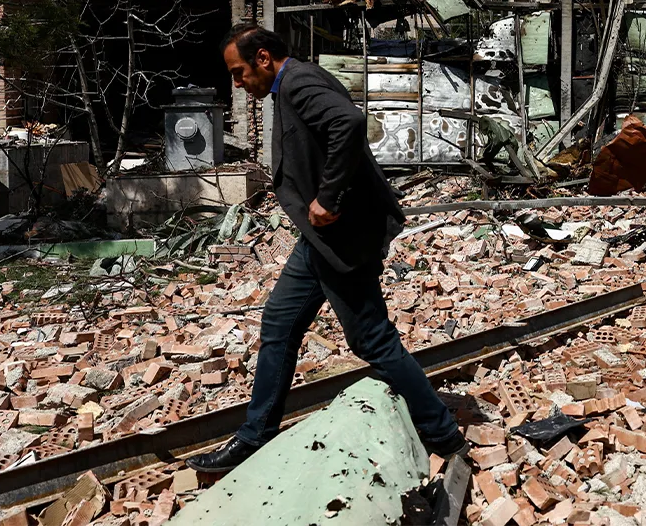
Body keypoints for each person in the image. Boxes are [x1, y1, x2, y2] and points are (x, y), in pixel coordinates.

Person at [186, 25, 466, 473]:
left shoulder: (298, 81)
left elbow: (348, 123)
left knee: (371, 339)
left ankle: (443, 433)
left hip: (341, 234)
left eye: (239, 72)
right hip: (318, 239)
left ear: (262, 58)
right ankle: (255, 435)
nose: (237, 83)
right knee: (280, 323)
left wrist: (328, 198)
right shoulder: (292, 83)